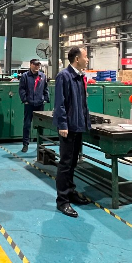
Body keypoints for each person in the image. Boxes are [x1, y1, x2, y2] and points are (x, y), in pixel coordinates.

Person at [53, 47, 91, 218]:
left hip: (78, 125)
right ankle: (62, 200)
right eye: (86, 56)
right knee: (65, 163)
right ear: (77, 59)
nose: (87, 59)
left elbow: (82, 104)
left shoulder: (80, 76)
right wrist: (63, 124)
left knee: (73, 161)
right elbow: (60, 103)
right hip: (68, 126)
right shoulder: (64, 76)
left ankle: (70, 192)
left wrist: (86, 122)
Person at [18, 59, 49, 153]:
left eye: (38, 65)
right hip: (29, 104)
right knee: (27, 124)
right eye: (35, 65)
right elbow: (22, 89)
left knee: (41, 125)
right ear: (31, 65)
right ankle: (25, 144)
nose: (37, 67)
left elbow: (45, 88)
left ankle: (40, 144)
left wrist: (45, 99)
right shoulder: (25, 76)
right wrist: (25, 100)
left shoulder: (42, 76)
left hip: (40, 104)